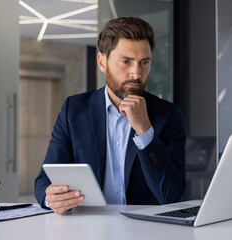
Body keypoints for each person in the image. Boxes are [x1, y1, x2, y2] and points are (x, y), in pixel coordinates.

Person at [34, 17, 186, 214]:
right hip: (88, 227)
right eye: (126, 61)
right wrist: (51, 198)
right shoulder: (74, 110)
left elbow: (171, 195)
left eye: (144, 62)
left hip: (145, 230)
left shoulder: (169, 115)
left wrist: (144, 130)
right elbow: (44, 180)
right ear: (102, 62)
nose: (136, 73)